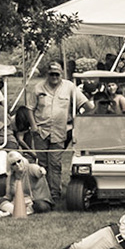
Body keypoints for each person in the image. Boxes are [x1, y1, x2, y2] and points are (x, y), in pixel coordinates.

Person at [30, 62, 84, 203]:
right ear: (47, 74)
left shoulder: (70, 87)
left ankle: (55, 194)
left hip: (60, 132)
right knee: (42, 164)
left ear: (62, 74)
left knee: (55, 163)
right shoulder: (38, 88)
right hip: (41, 131)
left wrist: (80, 122)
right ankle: (43, 193)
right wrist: (34, 127)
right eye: (51, 73)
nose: (54, 76)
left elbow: (85, 104)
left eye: (57, 74)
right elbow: (29, 109)